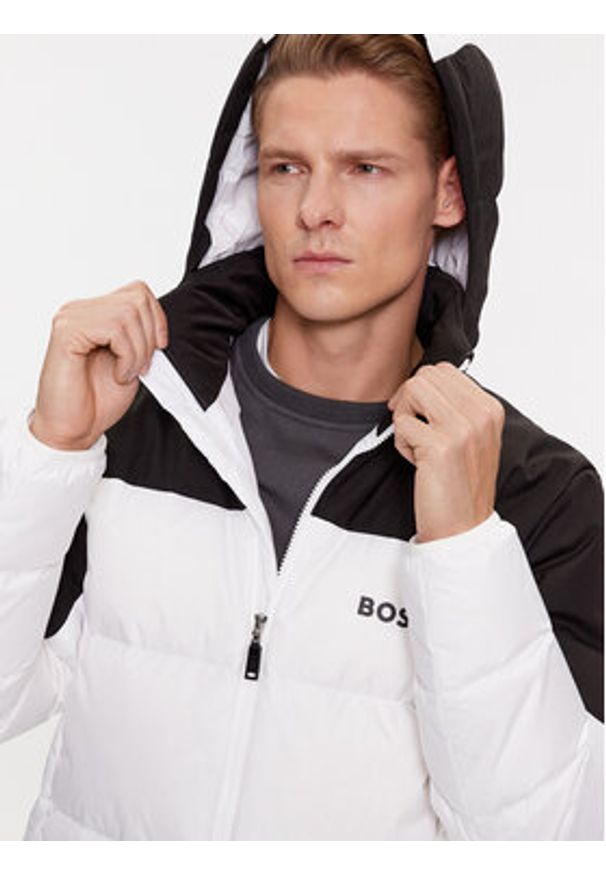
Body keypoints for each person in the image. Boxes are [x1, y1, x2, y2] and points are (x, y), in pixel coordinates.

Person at [0, 34, 602, 841]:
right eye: (287, 166)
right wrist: (53, 448)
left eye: (365, 168)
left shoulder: (538, 493)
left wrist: (464, 551)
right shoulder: (134, 415)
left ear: (448, 192)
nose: (317, 209)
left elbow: (553, 839)